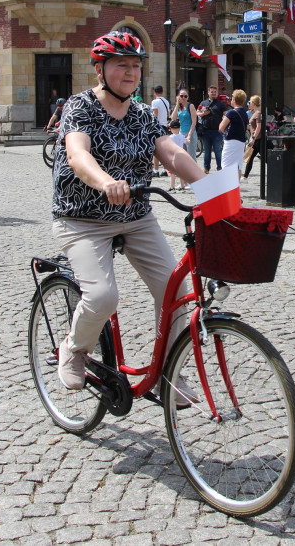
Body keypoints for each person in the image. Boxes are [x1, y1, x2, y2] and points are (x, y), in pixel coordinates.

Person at [52, 31, 205, 391]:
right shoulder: (80, 106)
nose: (131, 72)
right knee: (103, 296)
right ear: (100, 70)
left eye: (136, 65)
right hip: (82, 218)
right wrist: (106, 182)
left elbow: (172, 153)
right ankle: (74, 349)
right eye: (122, 65)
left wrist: (211, 189)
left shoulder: (141, 113)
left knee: (175, 290)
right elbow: (77, 154)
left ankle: (169, 372)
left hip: (135, 217)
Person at [196, 85, 226, 172]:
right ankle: (206, 168)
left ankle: (220, 167)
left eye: (215, 92)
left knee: (218, 150)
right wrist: (203, 114)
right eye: (212, 92)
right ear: (208, 92)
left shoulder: (220, 103)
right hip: (205, 130)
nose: (213, 93)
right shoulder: (203, 103)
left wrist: (223, 125)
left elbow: (226, 114)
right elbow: (197, 112)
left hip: (217, 131)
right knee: (207, 151)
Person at [219, 89, 249, 173]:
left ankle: (228, 182)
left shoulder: (231, 112)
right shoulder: (244, 112)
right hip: (241, 141)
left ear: (234, 100)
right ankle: (237, 181)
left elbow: (221, 128)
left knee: (226, 165)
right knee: (238, 165)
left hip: (231, 141)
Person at [170, 87, 197, 160]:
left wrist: (189, 135)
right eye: (181, 96)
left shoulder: (190, 106)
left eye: (185, 96)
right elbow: (173, 118)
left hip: (190, 132)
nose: (183, 98)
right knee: (183, 156)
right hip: (181, 133)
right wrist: (177, 104)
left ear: (188, 97)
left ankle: (193, 168)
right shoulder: (179, 107)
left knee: (191, 157)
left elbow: (194, 122)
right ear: (178, 97)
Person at [151, 85, 172, 177]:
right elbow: (167, 114)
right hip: (164, 126)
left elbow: (155, 114)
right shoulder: (166, 101)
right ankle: (164, 169)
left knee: (156, 150)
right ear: (162, 92)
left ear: (154, 92)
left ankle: (156, 170)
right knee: (163, 150)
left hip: (157, 126)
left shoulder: (155, 102)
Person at [243, 95, 264, 181]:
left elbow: (259, 126)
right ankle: (245, 177)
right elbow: (253, 126)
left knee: (266, 159)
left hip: (258, 139)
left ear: (254, 103)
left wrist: (254, 137)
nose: (249, 104)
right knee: (249, 158)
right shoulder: (254, 113)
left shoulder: (258, 113)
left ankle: (277, 172)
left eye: (250, 102)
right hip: (255, 139)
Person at [167, 120, 189, 192]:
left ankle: (172, 187)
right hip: (181, 156)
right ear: (179, 128)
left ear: (170, 129)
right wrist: (188, 138)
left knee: (172, 173)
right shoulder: (182, 136)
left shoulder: (170, 137)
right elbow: (187, 142)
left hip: (173, 156)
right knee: (181, 173)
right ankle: (182, 187)